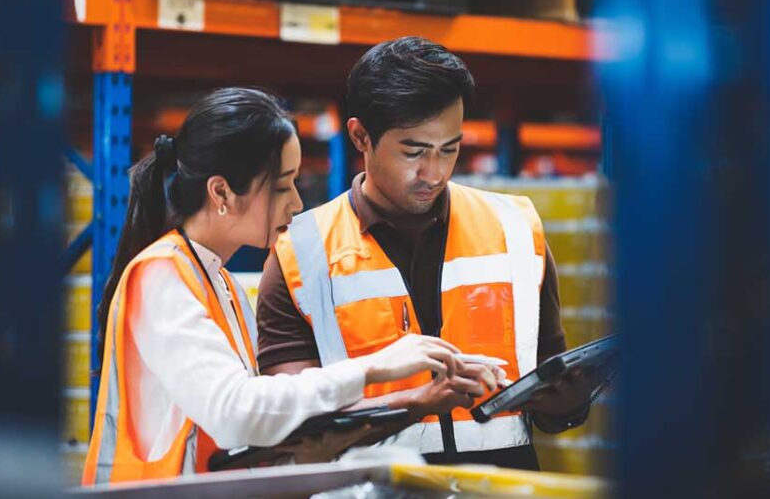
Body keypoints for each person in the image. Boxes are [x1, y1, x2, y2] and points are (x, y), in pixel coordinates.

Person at [82, 87, 487, 485]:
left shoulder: (221, 283)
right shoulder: (160, 275)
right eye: (281, 186)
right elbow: (233, 410)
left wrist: (308, 452)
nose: (296, 203)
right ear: (221, 191)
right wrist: (371, 366)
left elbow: (230, 442)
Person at [257, 37, 604, 471]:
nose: (434, 173)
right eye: (414, 151)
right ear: (360, 136)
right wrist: (417, 403)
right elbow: (291, 425)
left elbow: (549, 394)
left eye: (450, 149)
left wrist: (569, 402)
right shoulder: (300, 254)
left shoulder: (515, 228)